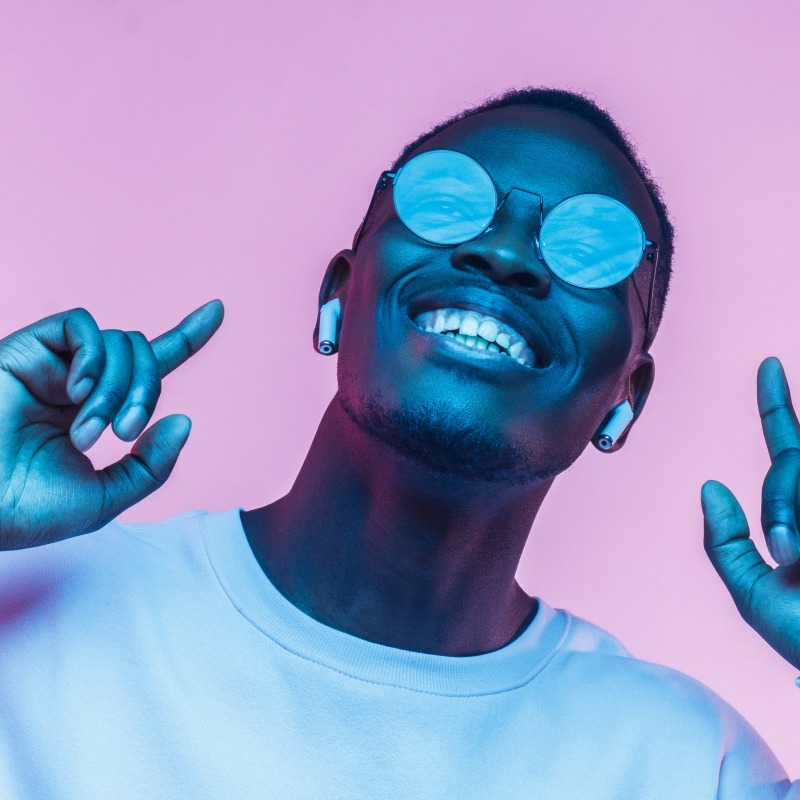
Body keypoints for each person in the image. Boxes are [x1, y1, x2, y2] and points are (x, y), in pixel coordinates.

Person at [1, 86, 798, 798]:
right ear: (339, 300)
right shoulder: (32, 606)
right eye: (445, 201)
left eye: (593, 249)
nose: (507, 254)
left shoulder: (691, 766)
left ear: (624, 400)